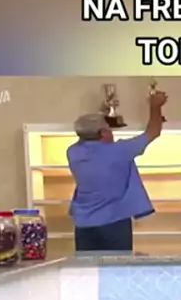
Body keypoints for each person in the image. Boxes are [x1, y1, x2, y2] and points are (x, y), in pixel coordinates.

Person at [67, 90, 167, 251]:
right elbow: (153, 131)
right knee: (117, 263)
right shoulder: (119, 151)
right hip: (114, 222)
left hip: (83, 223)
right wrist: (155, 106)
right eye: (108, 128)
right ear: (103, 133)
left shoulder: (73, 152)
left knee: (87, 264)